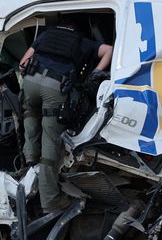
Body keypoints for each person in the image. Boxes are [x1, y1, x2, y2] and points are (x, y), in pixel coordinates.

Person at [19, 16, 113, 213]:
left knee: (30, 115)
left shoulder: (45, 36)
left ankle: (29, 161)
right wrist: (95, 73)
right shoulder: (82, 41)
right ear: (76, 28)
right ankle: (50, 200)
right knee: (50, 143)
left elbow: (23, 63)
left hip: (30, 81)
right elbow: (108, 50)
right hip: (54, 86)